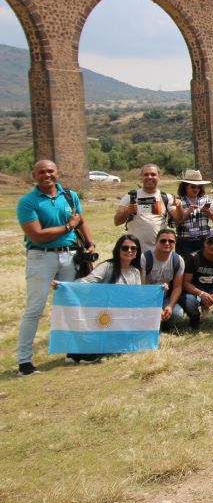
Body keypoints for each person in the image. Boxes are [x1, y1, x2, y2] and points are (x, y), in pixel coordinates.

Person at [16, 160, 97, 375]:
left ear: (58, 173)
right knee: (35, 309)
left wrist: (90, 243)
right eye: (41, 172)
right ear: (34, 176)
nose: (46, 175)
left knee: (71, 305)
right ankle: (24, 361)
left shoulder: (69, 196)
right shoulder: (27, 202)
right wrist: (68, 226)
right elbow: (37, 235)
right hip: (41, 257)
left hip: (69, 256)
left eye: (50, 171)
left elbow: (81, 221)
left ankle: (74, 351)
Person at [60, 234, 143, 364]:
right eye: (125, 248)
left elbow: (137, 297)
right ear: (118, 249)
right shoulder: (107, 267)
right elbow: (88, 281)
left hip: (124, 317)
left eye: (133, 249)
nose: (129, 251)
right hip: (103, 315)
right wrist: (66, 286)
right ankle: (81, 351)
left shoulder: (136, 272)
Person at [113, 163, 176, 253]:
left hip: (158, 251)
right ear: (141, 178)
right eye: (146, 174)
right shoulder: (130, 197)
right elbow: (117, 221)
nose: (149, 177)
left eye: (153, 174)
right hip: (136, 251)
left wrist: (179, 206)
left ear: (159, 177)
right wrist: (127, 211)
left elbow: (178, 219)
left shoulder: (166, 197)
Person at [139, 228, 186, 330]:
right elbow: (141, 288)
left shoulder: (178, 260)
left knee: (178, 315)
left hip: (165, 298)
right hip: (146, 298)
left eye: (171, 241)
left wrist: (170, 306)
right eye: (163, 240)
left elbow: (177, 287)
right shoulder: (144, 258)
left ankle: (163, 323)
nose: (167, 243)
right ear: (156, 242)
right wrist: (156, 308)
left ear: (175, 243)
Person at [172, 169, 213, 256]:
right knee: (186, 268)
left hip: (204, 241)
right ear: (185, 186)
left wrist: (209, 212)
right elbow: (173, 223)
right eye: (193, 186)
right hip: (184, 242)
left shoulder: (206, 199)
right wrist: (187, 212)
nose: (196, 189)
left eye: (199, 187)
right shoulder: (178, 201)